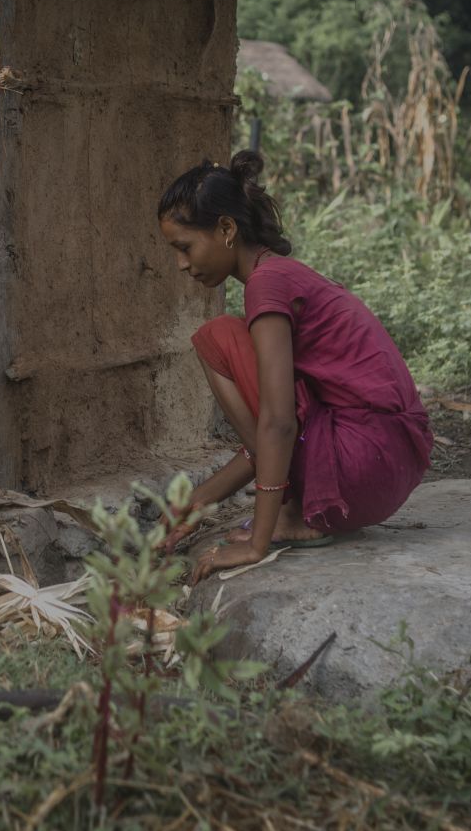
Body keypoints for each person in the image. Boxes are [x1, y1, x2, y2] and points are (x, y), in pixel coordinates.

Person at [156, 152, 433, 585]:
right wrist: (194, 504)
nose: (182, 265)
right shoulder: (282, 275)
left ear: (226, 229)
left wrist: (256, 543)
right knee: (232, 341)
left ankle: (288, 514)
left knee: (219, 337)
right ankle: (288, 510)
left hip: (362, 463)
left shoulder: (267, 284)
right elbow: (276, 433)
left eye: (184, 247)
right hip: (387, 467)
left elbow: (281, 424)